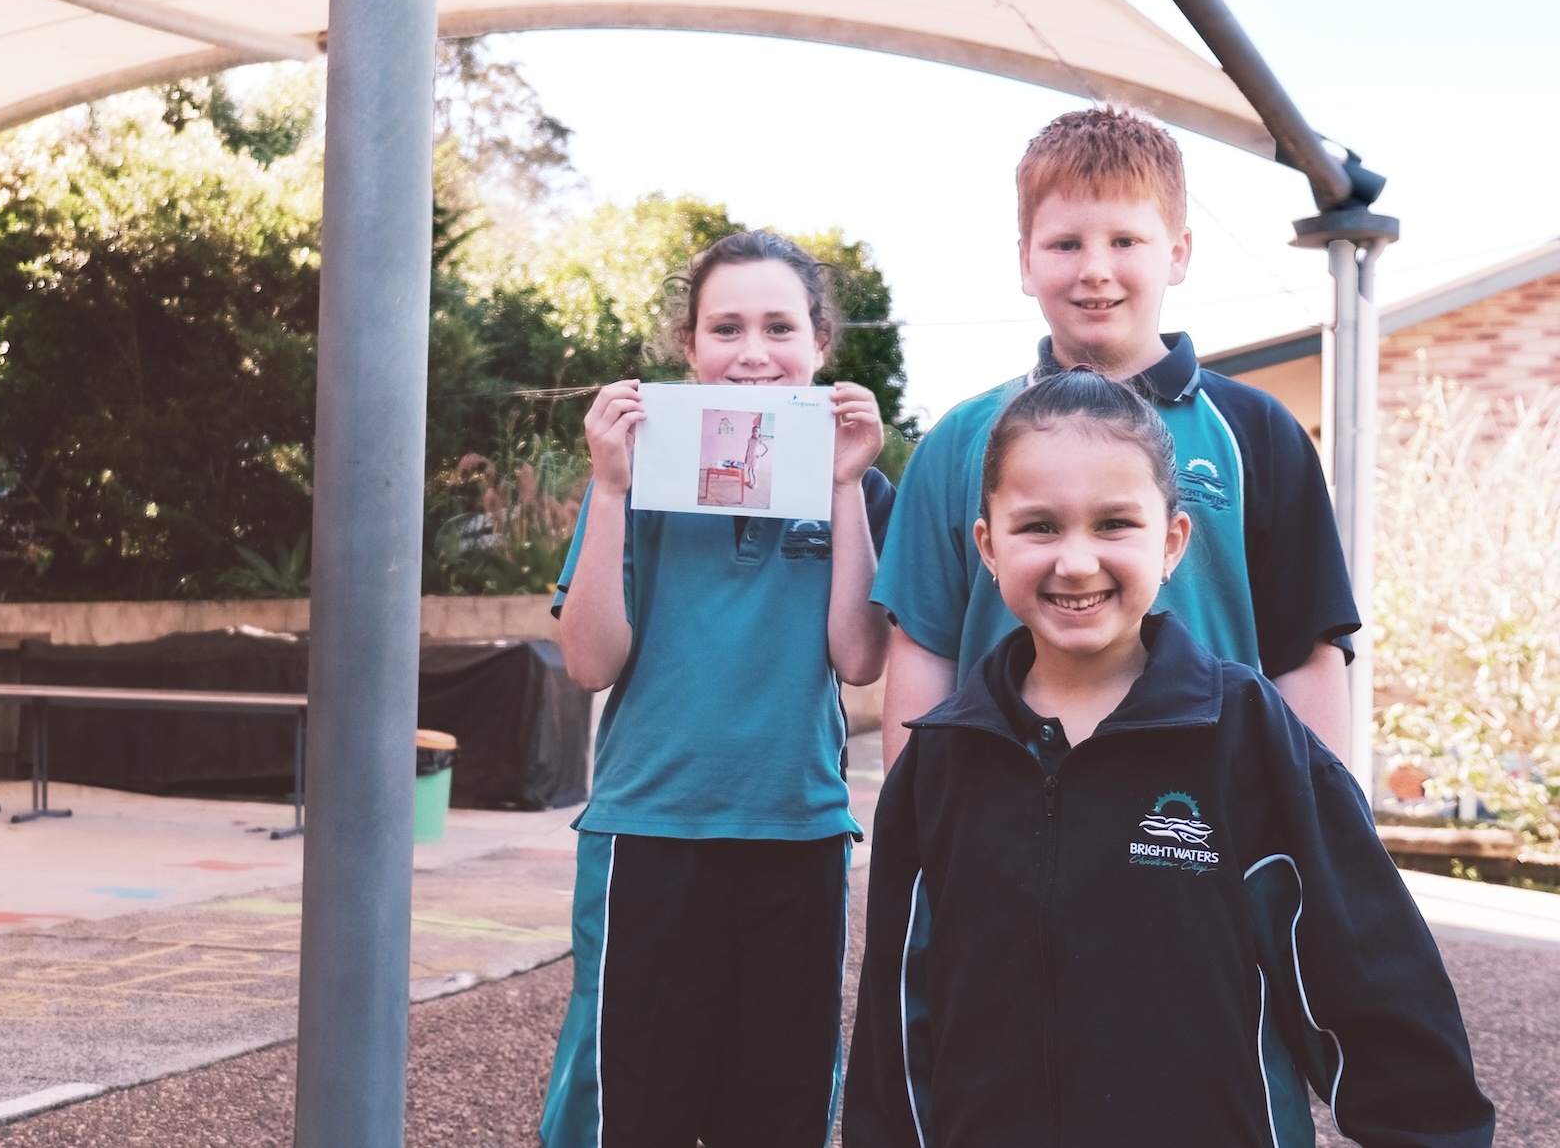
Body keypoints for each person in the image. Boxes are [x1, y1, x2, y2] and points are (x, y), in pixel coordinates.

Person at [841, 369, 1494, 1147]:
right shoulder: (941, 760)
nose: (1075, 561)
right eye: (1039, 526)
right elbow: (898, 1021)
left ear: (1172, 542)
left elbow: (1374, 986)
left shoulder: (1248, 737)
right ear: (987, 545)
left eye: (1115, 523)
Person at [539, 230, 895, 1148]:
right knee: (635, 1108)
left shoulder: (858, 483)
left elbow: (859, 659)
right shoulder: (633, 477)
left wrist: (848, 485)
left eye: (779, 327)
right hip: (650, 831)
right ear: (689, 349)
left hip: (798, 828)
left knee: (778, 1108)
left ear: (820, 343)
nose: (752, 353)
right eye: (725, 328)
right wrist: (611, 491)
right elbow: (589, 663)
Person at [874, 104, 1359, 772]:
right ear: (1025, 262)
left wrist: (1327, 839)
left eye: (1125, 241)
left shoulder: (1259, 433)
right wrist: (913, 840)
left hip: (1208, 828)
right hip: (1004, 825)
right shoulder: (958, 442)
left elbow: (1305, 656)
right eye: (1065, 244)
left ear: (1178, 253)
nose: (1095, 269)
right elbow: (925, 651)